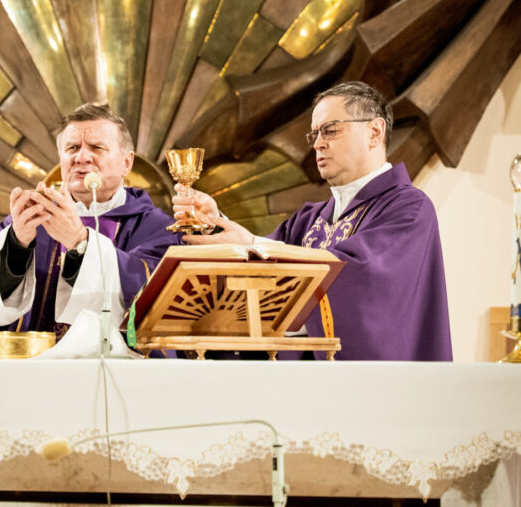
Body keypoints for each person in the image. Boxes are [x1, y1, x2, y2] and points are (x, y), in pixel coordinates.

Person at [173, 81, 453, 361]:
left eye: (330, 130)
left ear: (374, 132)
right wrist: (214, 224)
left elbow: (358, 278)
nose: (318, 144)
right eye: (315, 134)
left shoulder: (408, 209)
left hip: (368, 380)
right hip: (296, 378)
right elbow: (260, 266)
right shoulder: (309, 219)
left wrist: (252, 245)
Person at [0, 104, 176, 357]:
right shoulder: (32, 218)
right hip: (37, 371)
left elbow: (160, 296)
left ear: (126, 163)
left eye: (97, 147)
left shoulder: (155, 228)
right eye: (72, 148)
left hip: (119, 372)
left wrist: (81, 243)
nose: (82, 157)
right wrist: (16, 246)